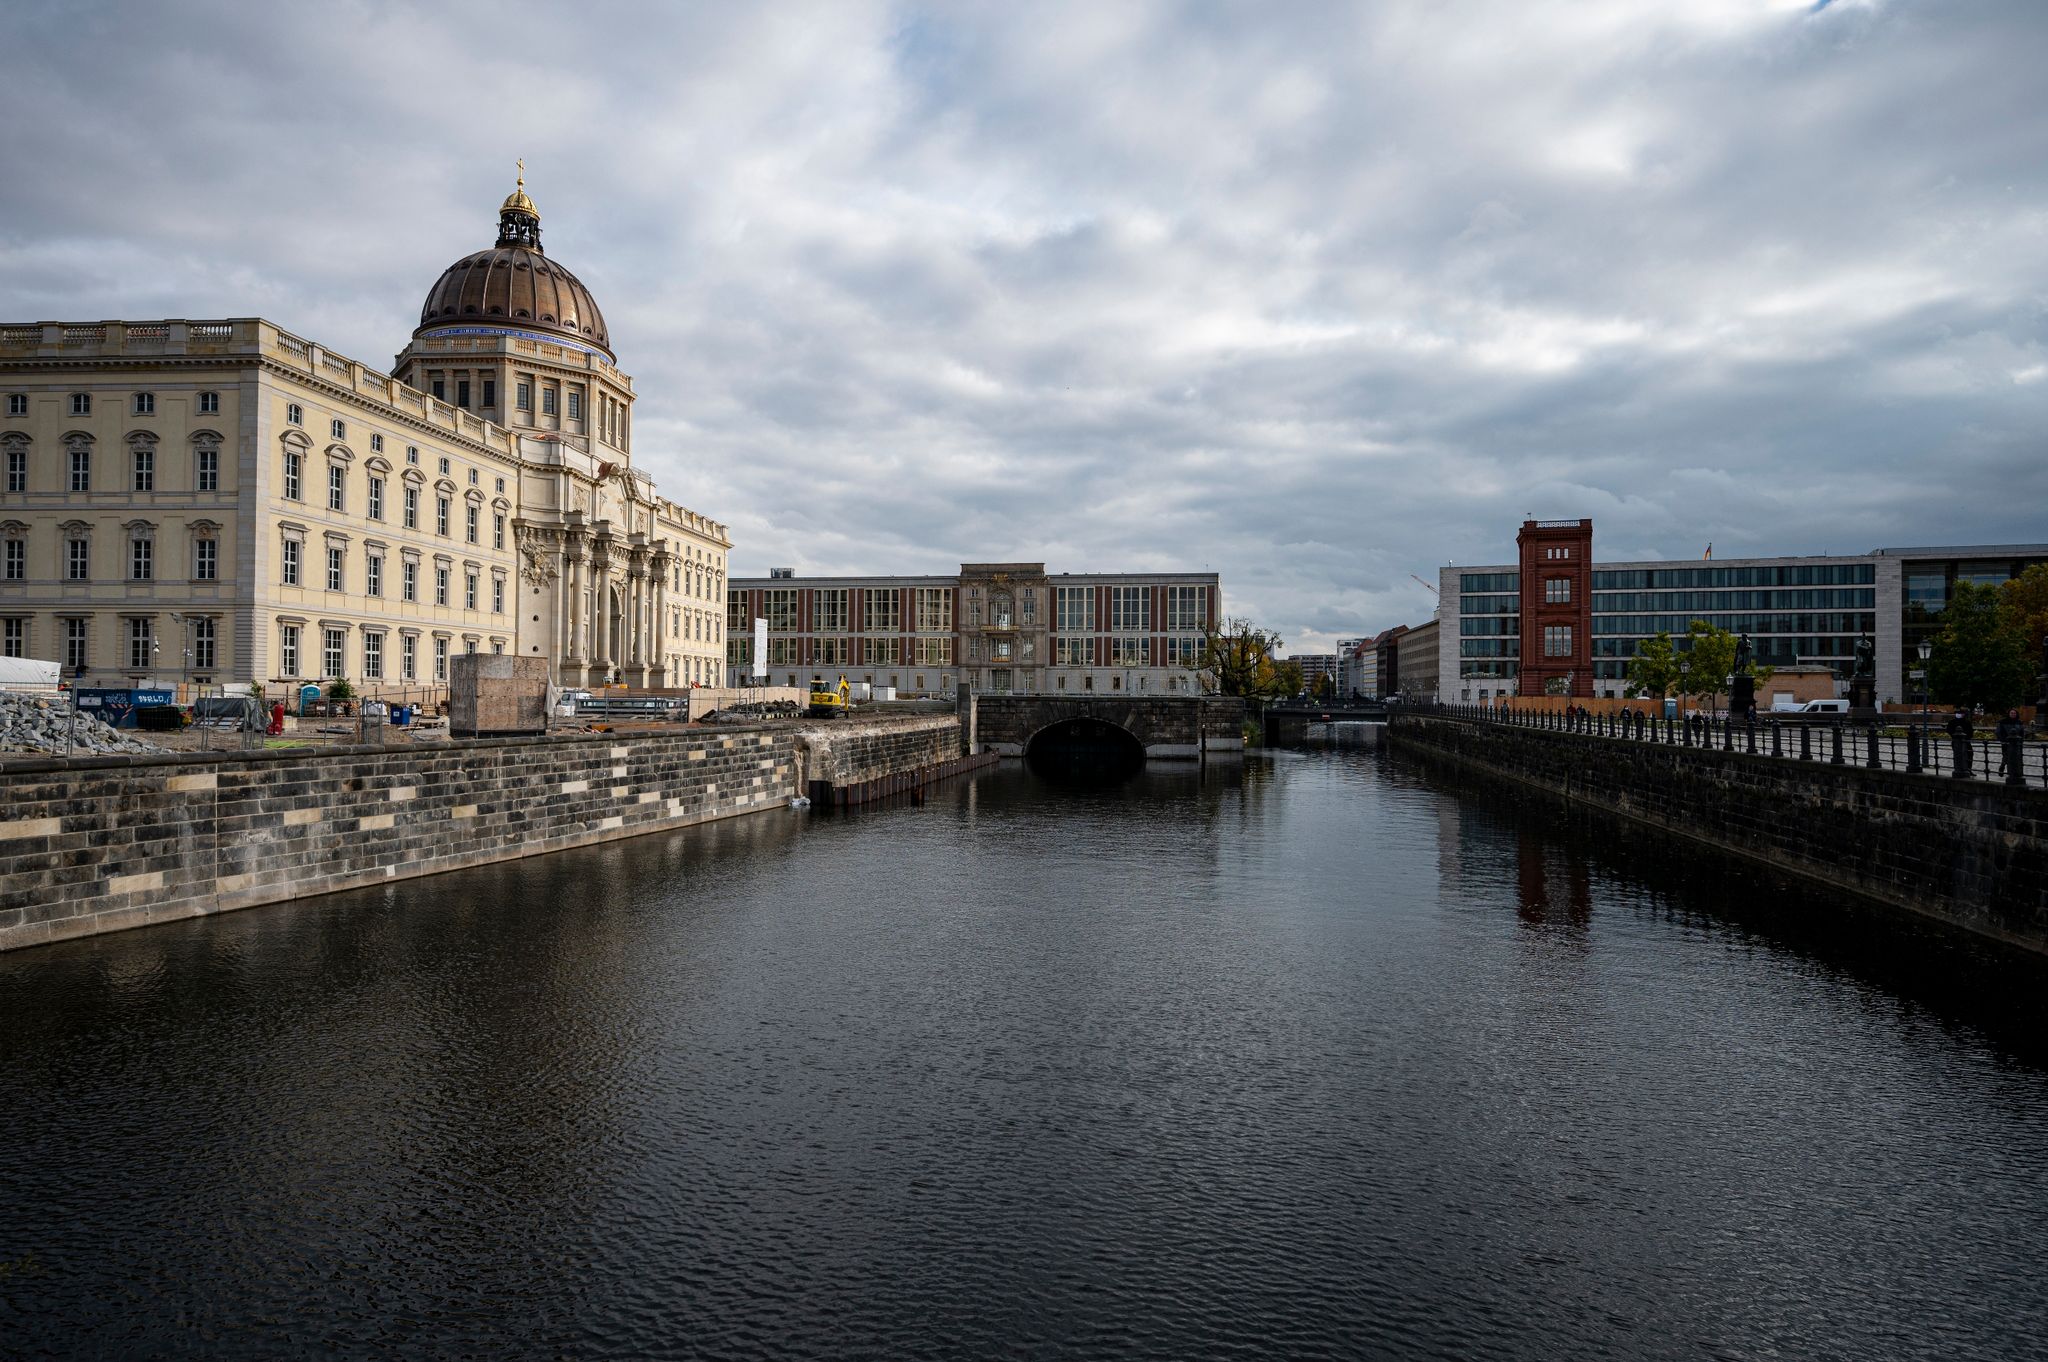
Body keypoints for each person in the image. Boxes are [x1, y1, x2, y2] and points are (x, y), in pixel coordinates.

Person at [1996, 708, 2026, 780]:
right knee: (2006, 756)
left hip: (2017, 743)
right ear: (2009, 714)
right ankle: (2002, 766)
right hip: (2006, 742)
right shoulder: (2003, 722)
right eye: (2011, 713)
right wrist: (2003, 740)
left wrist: (2021, 741)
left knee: (2017, 758)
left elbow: (2022, 732)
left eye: (2014, 713)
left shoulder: (2019, 722)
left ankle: (2017, 772)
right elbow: (1998, 732)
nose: (2013, 714)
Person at [1945, 708, 1974, 777]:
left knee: (1969, 755)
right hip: (1956, 742)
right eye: (1958, 713)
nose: (1958, 714)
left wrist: (1966, 736)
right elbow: (1949, 730)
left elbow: (1971, 732)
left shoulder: (1967, 722)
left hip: (1966, 741)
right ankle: (1960, 770)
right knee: (1959, 755)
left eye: (1960, 713)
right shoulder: (1952, 722)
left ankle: (1968, 769)